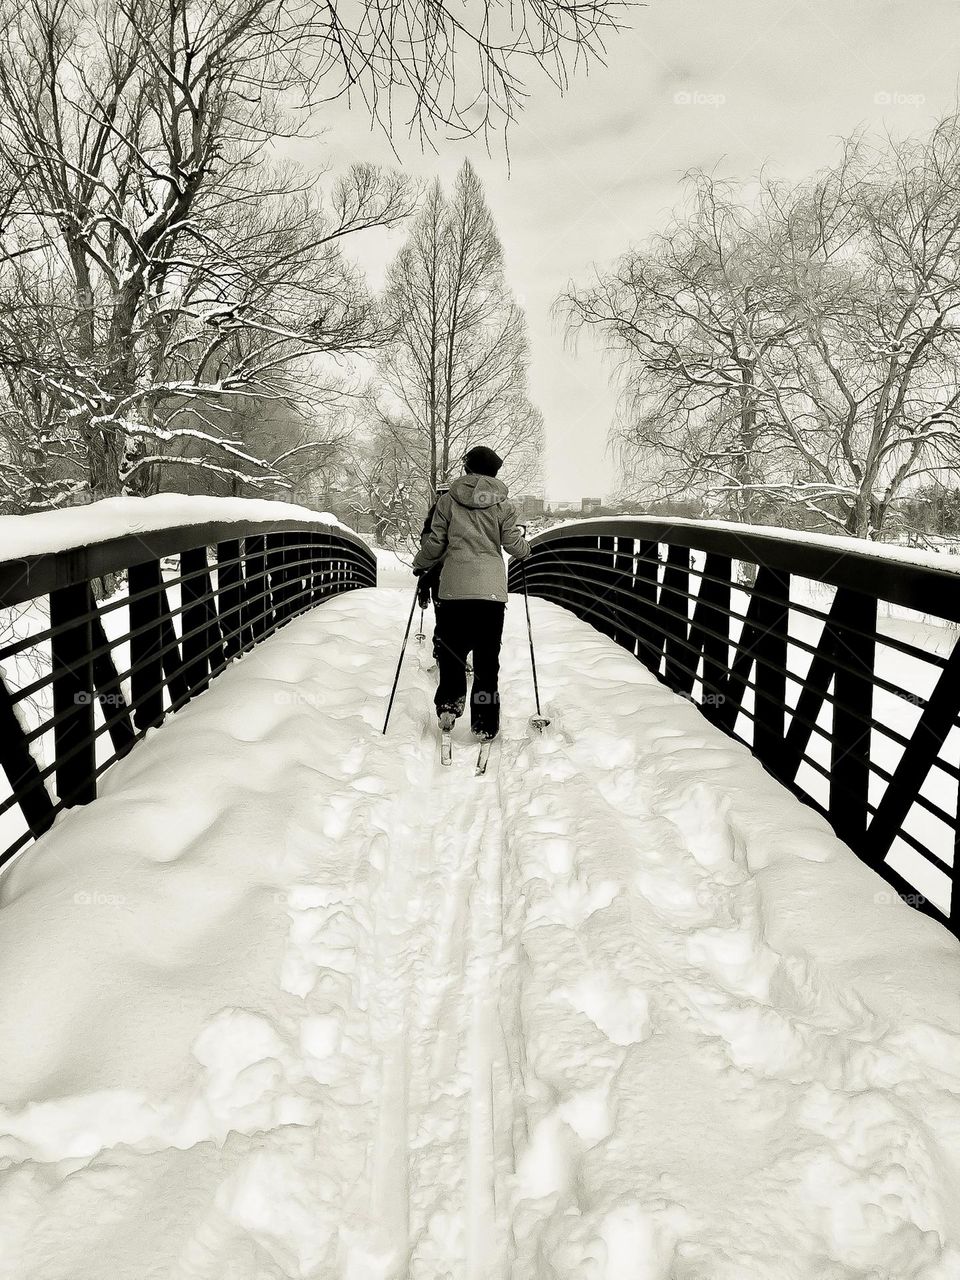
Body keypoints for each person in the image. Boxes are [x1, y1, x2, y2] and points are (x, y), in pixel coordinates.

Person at [413, 444, 530, 740]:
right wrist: (525, 550)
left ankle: (450, 704)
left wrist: (420, 564)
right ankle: (485, 722)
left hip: (453, 590)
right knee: (487, 660)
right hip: (490, 594)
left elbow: (435, 544)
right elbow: (513, 544)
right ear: (494, 472)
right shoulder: (504, 505)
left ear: (467, 469)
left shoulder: (448, 501)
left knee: (452, 653)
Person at [416, 482, 448, 664]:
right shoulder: (460, 515)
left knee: (443, 616)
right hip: (452, 574)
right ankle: (449, 653)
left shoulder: (432, 519)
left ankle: (441, 652)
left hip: (437, 576)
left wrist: (423, 584)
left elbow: (428, 553)